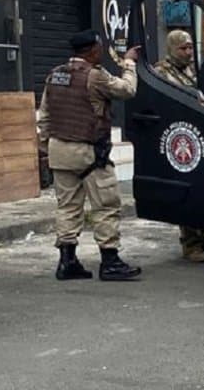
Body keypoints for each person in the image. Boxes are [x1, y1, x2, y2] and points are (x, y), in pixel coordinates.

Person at [38, 29, 142, 282]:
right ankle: (110, 262)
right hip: (89, 153)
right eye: (99, 47)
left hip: (59, 151)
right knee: (106, 205)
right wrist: (129, 63)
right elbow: (127, 90)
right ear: (92, 50)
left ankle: (67, 261)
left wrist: (46, 149)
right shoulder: (95, 76)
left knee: (67, 207)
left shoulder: (55, 76)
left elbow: (45, 117)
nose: (101, 51)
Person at [154, 29, 204, 264]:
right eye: (183, 48)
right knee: (187, 190)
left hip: (199, 134)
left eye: (191, 47)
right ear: (172, 48)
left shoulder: (194, 71)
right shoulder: (160, 72)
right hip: (178, 137)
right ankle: (191, 243)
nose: (189, 52)